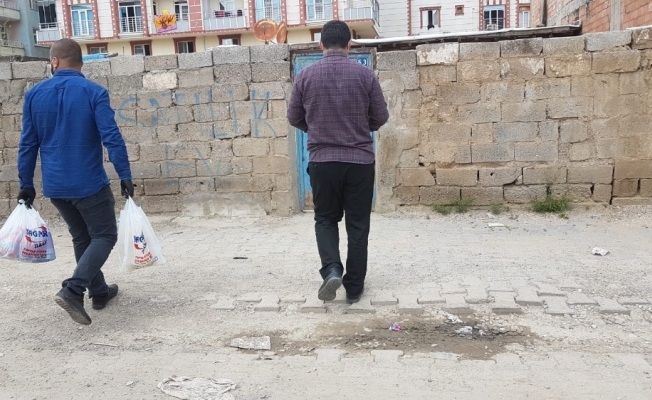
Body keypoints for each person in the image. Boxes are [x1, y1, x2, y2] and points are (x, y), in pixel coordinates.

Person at [17, 39, 134, 325]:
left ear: (54, 61)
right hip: (89, 183)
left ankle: (99, 291)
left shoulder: (34, 95)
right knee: (104, 236)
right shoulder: (94, 92)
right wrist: (125, 174)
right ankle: (73, 289)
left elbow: (28, 144)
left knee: (82, 237)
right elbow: (111, 137)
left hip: (56, 186)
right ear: (80, 62)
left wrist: (26, 183)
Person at [287, 21, 389, 304]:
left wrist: (315, 129)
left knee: (325, 219)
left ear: (320, 44)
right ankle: (354, 288)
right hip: (359, 162)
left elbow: (294, 117)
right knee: (358, 225)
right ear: (349, 45)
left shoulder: (305, 76)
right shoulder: (365, 75)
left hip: (323, 161)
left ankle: (332, 269)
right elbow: (380, 116)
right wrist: (361, 127)